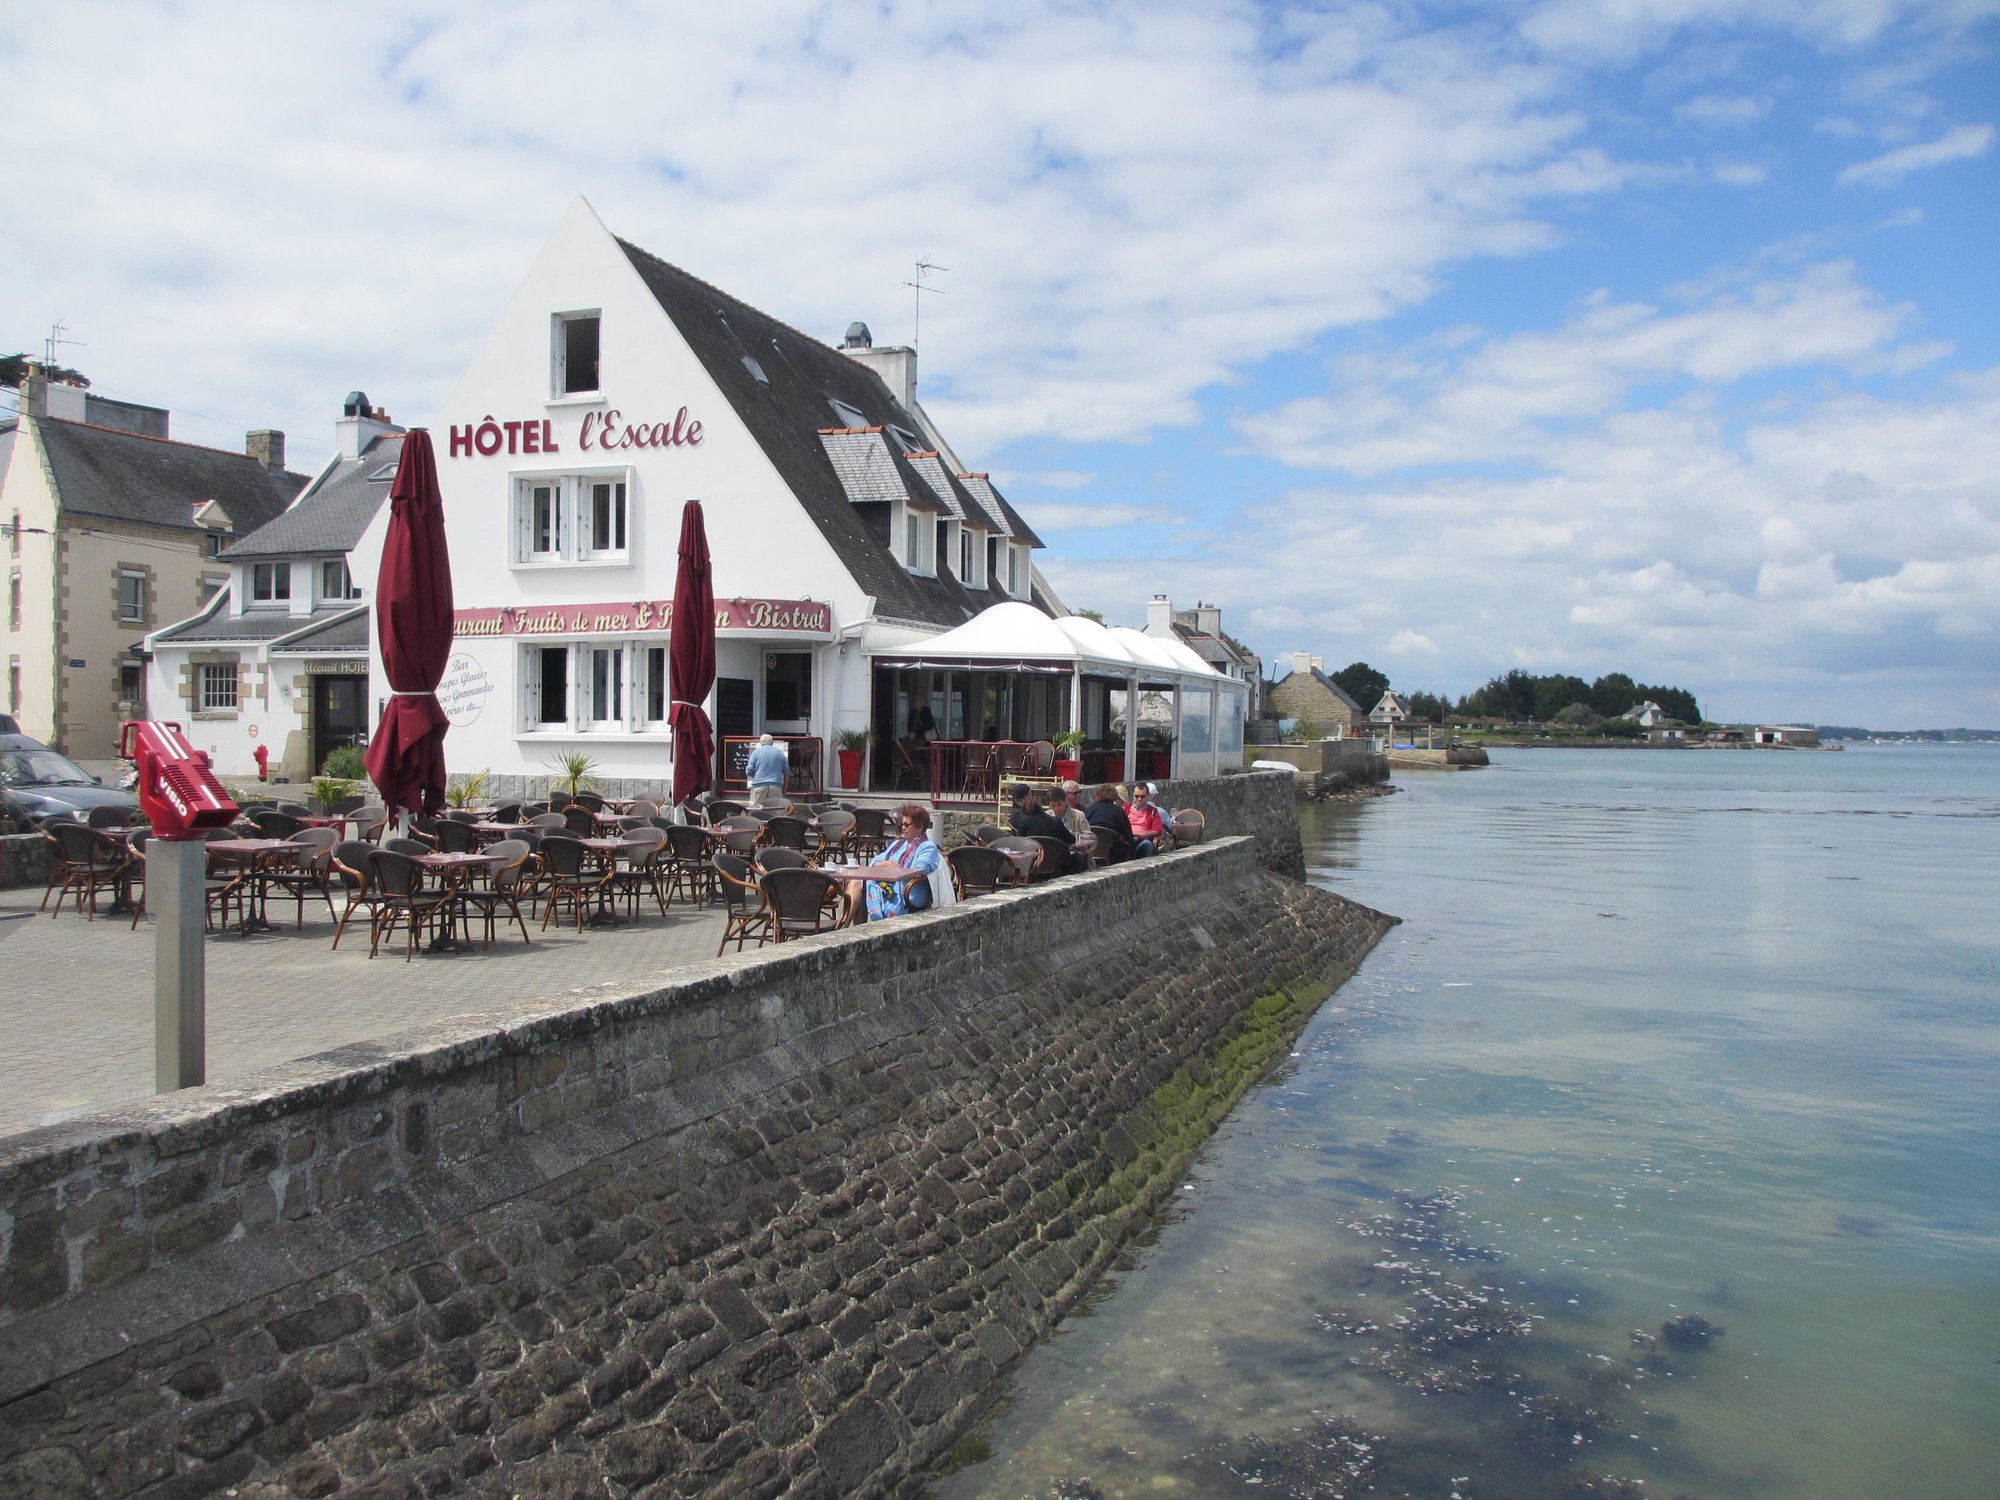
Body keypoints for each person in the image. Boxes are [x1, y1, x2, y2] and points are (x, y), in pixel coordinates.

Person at [839, 803, 952, 921]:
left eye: (907, 825)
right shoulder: (898, 844)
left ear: (919, 826)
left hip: (906, 889)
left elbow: (920, 870)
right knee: (856, 881)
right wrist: (882, 864)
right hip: (888, 885)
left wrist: (894, 871)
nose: (903, 828)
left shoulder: (927, 847)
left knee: (859, 884)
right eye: (902, 824)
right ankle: (846, 926)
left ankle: (846, 927)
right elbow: (874, 861)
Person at [1009, 787, 1082, 873]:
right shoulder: (1056, 821)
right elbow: (1072, 840)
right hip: (1056, 866)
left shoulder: (1024, 823)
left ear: (1025, 814)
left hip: (1032, 866)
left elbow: (1019, 845)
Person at [1084, 783, 1135, 863]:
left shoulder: (1089, 810)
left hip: (1092, 849)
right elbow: (1127, 834)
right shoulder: (1118, 811)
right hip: (1114, 852)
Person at [745, 733, 790, 809]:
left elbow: (749, 770)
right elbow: (786, 772)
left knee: (755, 810)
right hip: (776, 785)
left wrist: (754, 776)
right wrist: (785, 787)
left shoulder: (756, 752)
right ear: (772, 742)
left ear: (761, 743)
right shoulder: (780, 753)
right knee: (776, 810)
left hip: (759, 785)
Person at [1126, 781, 1167, 856]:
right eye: (1136, 796)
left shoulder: (1153, 811)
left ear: (1148, 796)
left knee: (1147, 845)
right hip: (1126, 839)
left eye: (1142, 796)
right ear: (1133, 795)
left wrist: (1140, 836)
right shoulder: (1126, 808)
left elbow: (1158, 830)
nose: (1139, 799)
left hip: (1142, 841)